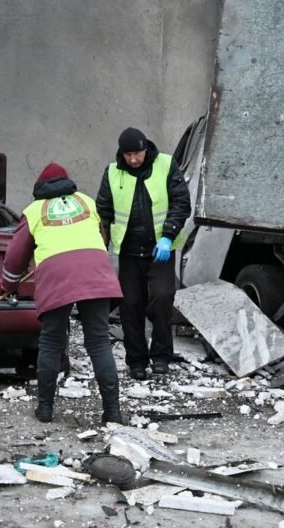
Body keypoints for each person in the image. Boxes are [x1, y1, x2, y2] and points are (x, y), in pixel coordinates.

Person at [1, 163, 123, 424]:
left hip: (57, 276)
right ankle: (113, 413)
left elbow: (14, 257)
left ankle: (45, 410)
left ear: (39, 188)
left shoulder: (34, 211)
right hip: (95, 272)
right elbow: (102, 238)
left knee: (51, 342)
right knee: (99, 342)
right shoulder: (86, 201)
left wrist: (8, 286)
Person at [96, 128, 191, 380]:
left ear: (146, 149)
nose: (133, 160)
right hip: (128, 251)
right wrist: (100, 247)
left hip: (160, 250)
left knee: (162, 299)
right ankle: (136, 360)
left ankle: (161, 357)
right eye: (128, 155)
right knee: (131, 305)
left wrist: (168, 236)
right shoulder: (113, 172)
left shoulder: (166, 164)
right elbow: (103, 211)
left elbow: (181, 203)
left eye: (137, 153)